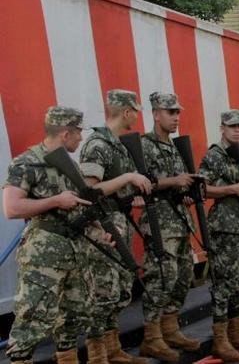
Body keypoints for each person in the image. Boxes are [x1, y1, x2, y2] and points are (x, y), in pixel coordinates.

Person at [3, 107, 98, 364]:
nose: (80, 139)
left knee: (74, 316)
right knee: (33, 320)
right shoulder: (27, 162)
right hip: (42, 255)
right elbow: (11, 208)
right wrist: (55, 200)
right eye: (78, 133)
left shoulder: (70, 165)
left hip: (73, 251)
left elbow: (80, 204)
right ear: (66, 133)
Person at [80, 90, 153, 364]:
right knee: (101, 293)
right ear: (125, 112)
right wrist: (129, 176)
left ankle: (113, 350)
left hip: (118, 224)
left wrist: (129, 197)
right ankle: (98, 356)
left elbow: (111, 190)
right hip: (101, 230)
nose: (136, 115)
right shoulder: (97, 144)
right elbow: (90, 191)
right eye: (134, 110)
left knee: (118, 290)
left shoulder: (117, 145)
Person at [198, 109, 239, 361]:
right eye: (232, 126)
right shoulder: (215, 155)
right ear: (222, 128)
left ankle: (236, 332)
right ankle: (220, 339)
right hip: (225, 228)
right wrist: (232, 189)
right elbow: (202, 189)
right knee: (224, 283)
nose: (237, 130)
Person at [139, 92, 200, 362]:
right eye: (170, 112)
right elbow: (139, 184)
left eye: (178, 112)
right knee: (161, 278)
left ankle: (170, 328)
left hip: (179, 219)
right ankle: (151, 338)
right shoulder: (143, 146)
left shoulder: (174, 146)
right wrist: (174, 181)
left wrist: (184, 191)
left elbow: (177, 184)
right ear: (155, 114)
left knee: (184, 275)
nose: (176, 117)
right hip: (159, 223)